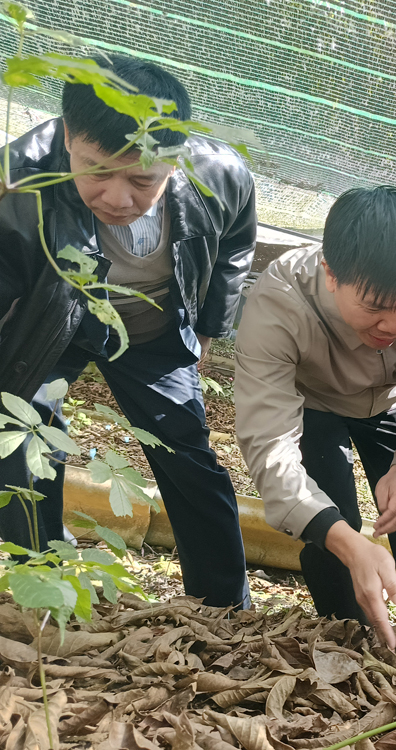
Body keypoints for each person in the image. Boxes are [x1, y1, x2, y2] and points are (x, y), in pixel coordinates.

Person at [0, 56, 255, 608]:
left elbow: (236, 243)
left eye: (143, 179)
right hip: (54, 322)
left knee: (187, 451)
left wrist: (210, 325)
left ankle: (223, 603)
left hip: (150, 328)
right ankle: (46, 578)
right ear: (69, 135)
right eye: (96, 171)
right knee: (25, 433)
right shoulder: (18, 181)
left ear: (175, 158)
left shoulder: (222, 176)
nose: (119, 198)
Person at [234, 186, 396, 648]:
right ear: (331, 274)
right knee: (330, 518)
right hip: (314, 403)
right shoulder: (278, 303)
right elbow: (270, 443)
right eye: (376, 307)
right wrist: (340, 536)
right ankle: (350, 635)